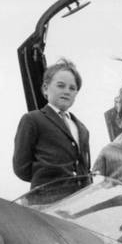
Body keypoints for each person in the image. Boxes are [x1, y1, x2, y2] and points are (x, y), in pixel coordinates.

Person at [12, 59, 91, 192]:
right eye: (60, 85)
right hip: (47, 200)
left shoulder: (82, 129)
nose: (67, 91)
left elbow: (84, 167)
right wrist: (45, 180)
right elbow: (21, 168)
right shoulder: (32, 119)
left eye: (72, 88)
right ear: (45, 88)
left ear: (76, 93)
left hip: (79, 200)